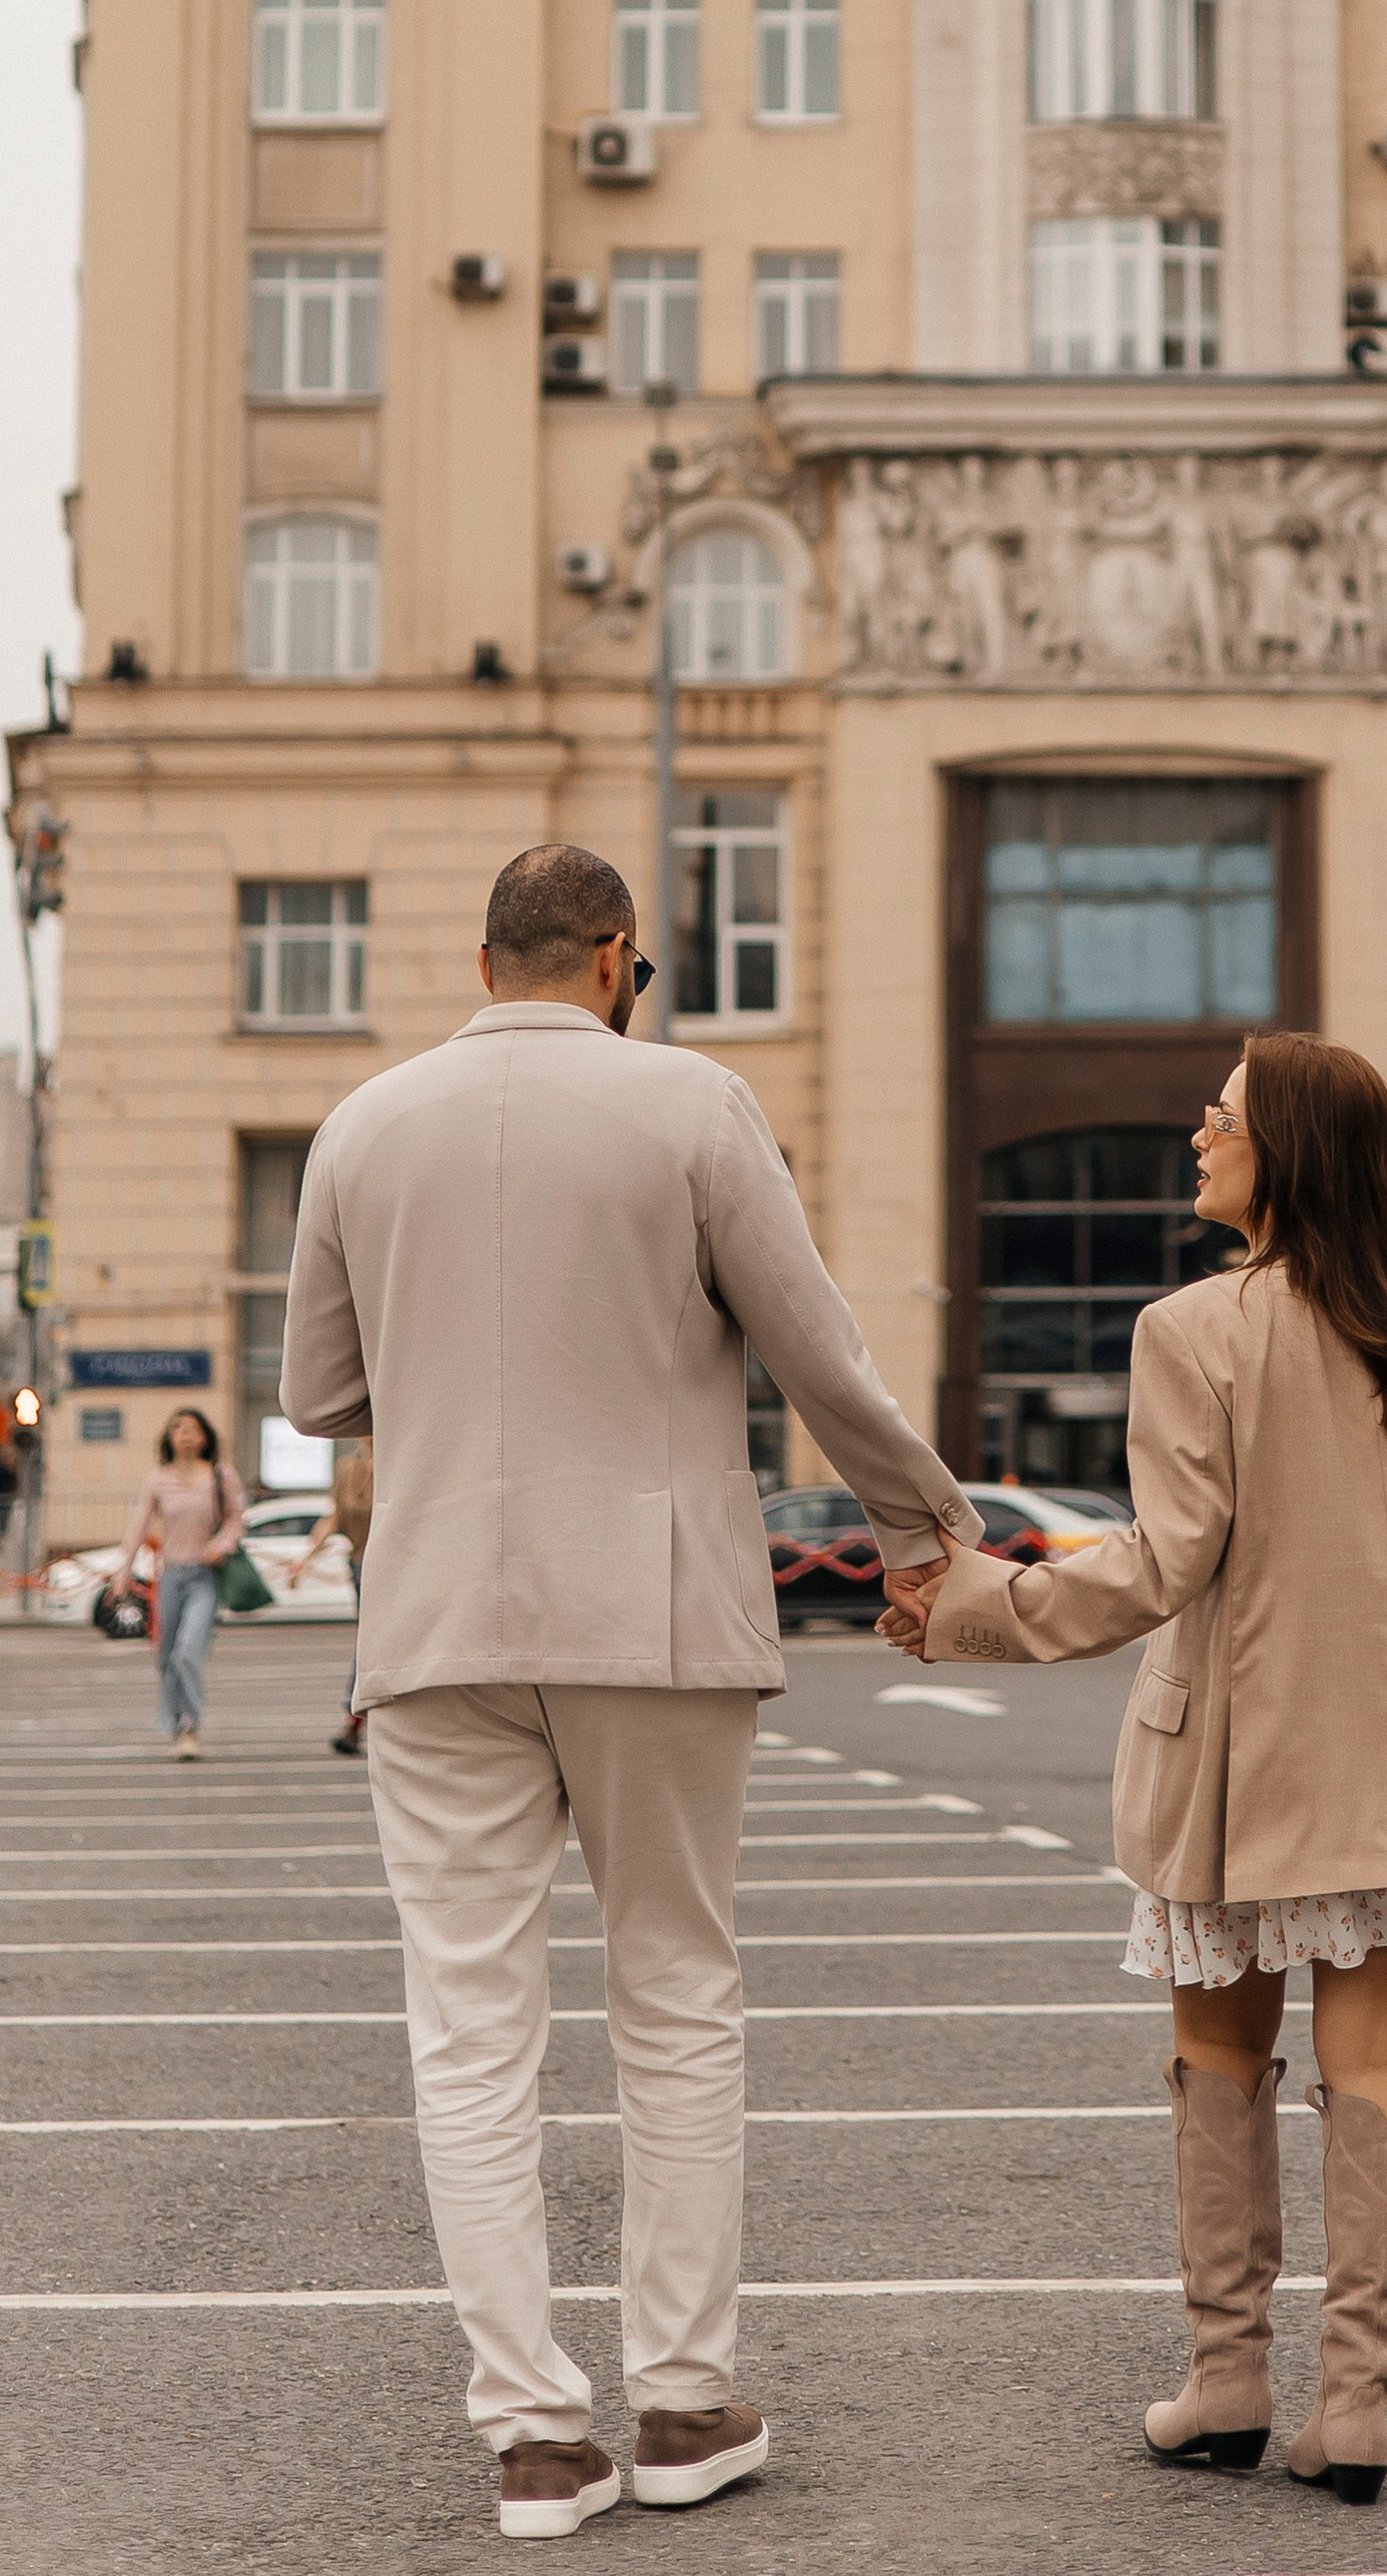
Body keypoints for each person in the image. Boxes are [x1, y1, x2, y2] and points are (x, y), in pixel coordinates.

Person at [282, 840, 979, 2544]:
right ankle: (679, 2400)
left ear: (484, 962)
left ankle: (533, 2435)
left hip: (438, 1620)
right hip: (651, 1612)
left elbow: (318, 1393)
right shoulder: (691, 1109)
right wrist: (925, 1530)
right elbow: (815, 1347)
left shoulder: (361, 1126)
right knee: (673, 1995)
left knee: (469, 2028)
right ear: (613, 958)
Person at [884, 1034, 1387, 2505]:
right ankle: (1357, 2407)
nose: (1200, 1134)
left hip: (1242, 1759)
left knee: (1219, 2056)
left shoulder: (1192, 1328)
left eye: (1224, 1116)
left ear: (1290, 1153)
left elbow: (1165, 1561)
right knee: (1377, 2069)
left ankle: (1228, 2379)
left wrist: (976, 1605)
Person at [106, 1410, 248, 1758]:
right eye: (178, 1428)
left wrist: (222, 1545)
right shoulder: (158, 1481)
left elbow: (237, 1519)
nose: (185, 1433)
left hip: (205, 1577)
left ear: (204, 1436)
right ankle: (174, 1723)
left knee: (188, 1652)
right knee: (167, 1656)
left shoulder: (220, 1475)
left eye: (192, 1428)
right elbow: (138, 1528)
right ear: (169, 1437)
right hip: (170, 1577)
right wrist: (123, 1572)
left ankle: (190, 1727)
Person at [285, 1436, 374, 1749]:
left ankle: (356, 1721)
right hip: (362, 1565)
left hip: (400, 1565)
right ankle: (355, 1719)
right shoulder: (347, 1468)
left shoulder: (399, 1461)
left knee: (378, 1641)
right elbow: (334, 1517)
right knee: (371, 1640)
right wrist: (303, 1560)